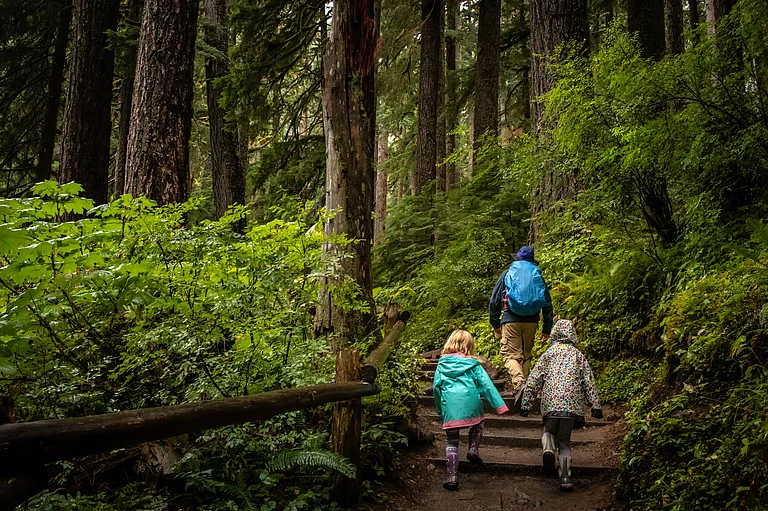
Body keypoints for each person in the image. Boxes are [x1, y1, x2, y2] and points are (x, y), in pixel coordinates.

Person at [520, 319, 603, 492]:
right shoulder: (578, 356)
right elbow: (588, 381)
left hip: (551, 405)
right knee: (564, 441)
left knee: (548, 431)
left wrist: (526, 404)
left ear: (554, 334)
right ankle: (565, 477)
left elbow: (535, 379)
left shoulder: (548, 354)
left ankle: (548, 450)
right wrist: (595, 406)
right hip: (572, 408)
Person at [433, 329, 509, 491]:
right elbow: (486, 385)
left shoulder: (441, 365)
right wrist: (499, 406)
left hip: (450, 406)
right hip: (471, 403)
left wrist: (441, 411)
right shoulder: (473, 365)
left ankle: (452, 475)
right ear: (468, 346)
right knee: (478, 423)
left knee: (451, 441)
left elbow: (436, 389)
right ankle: (473, 449)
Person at [489, 246, 554, 394]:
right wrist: (546, 329)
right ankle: (525, 391)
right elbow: (547, 303)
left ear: (517, 258)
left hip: (511, 319)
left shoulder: (507, 274)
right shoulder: (537, 275)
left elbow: (495, 300)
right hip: (532, 321)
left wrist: (495, 323)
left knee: (511, 355)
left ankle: (520, 383)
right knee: (526, 355)